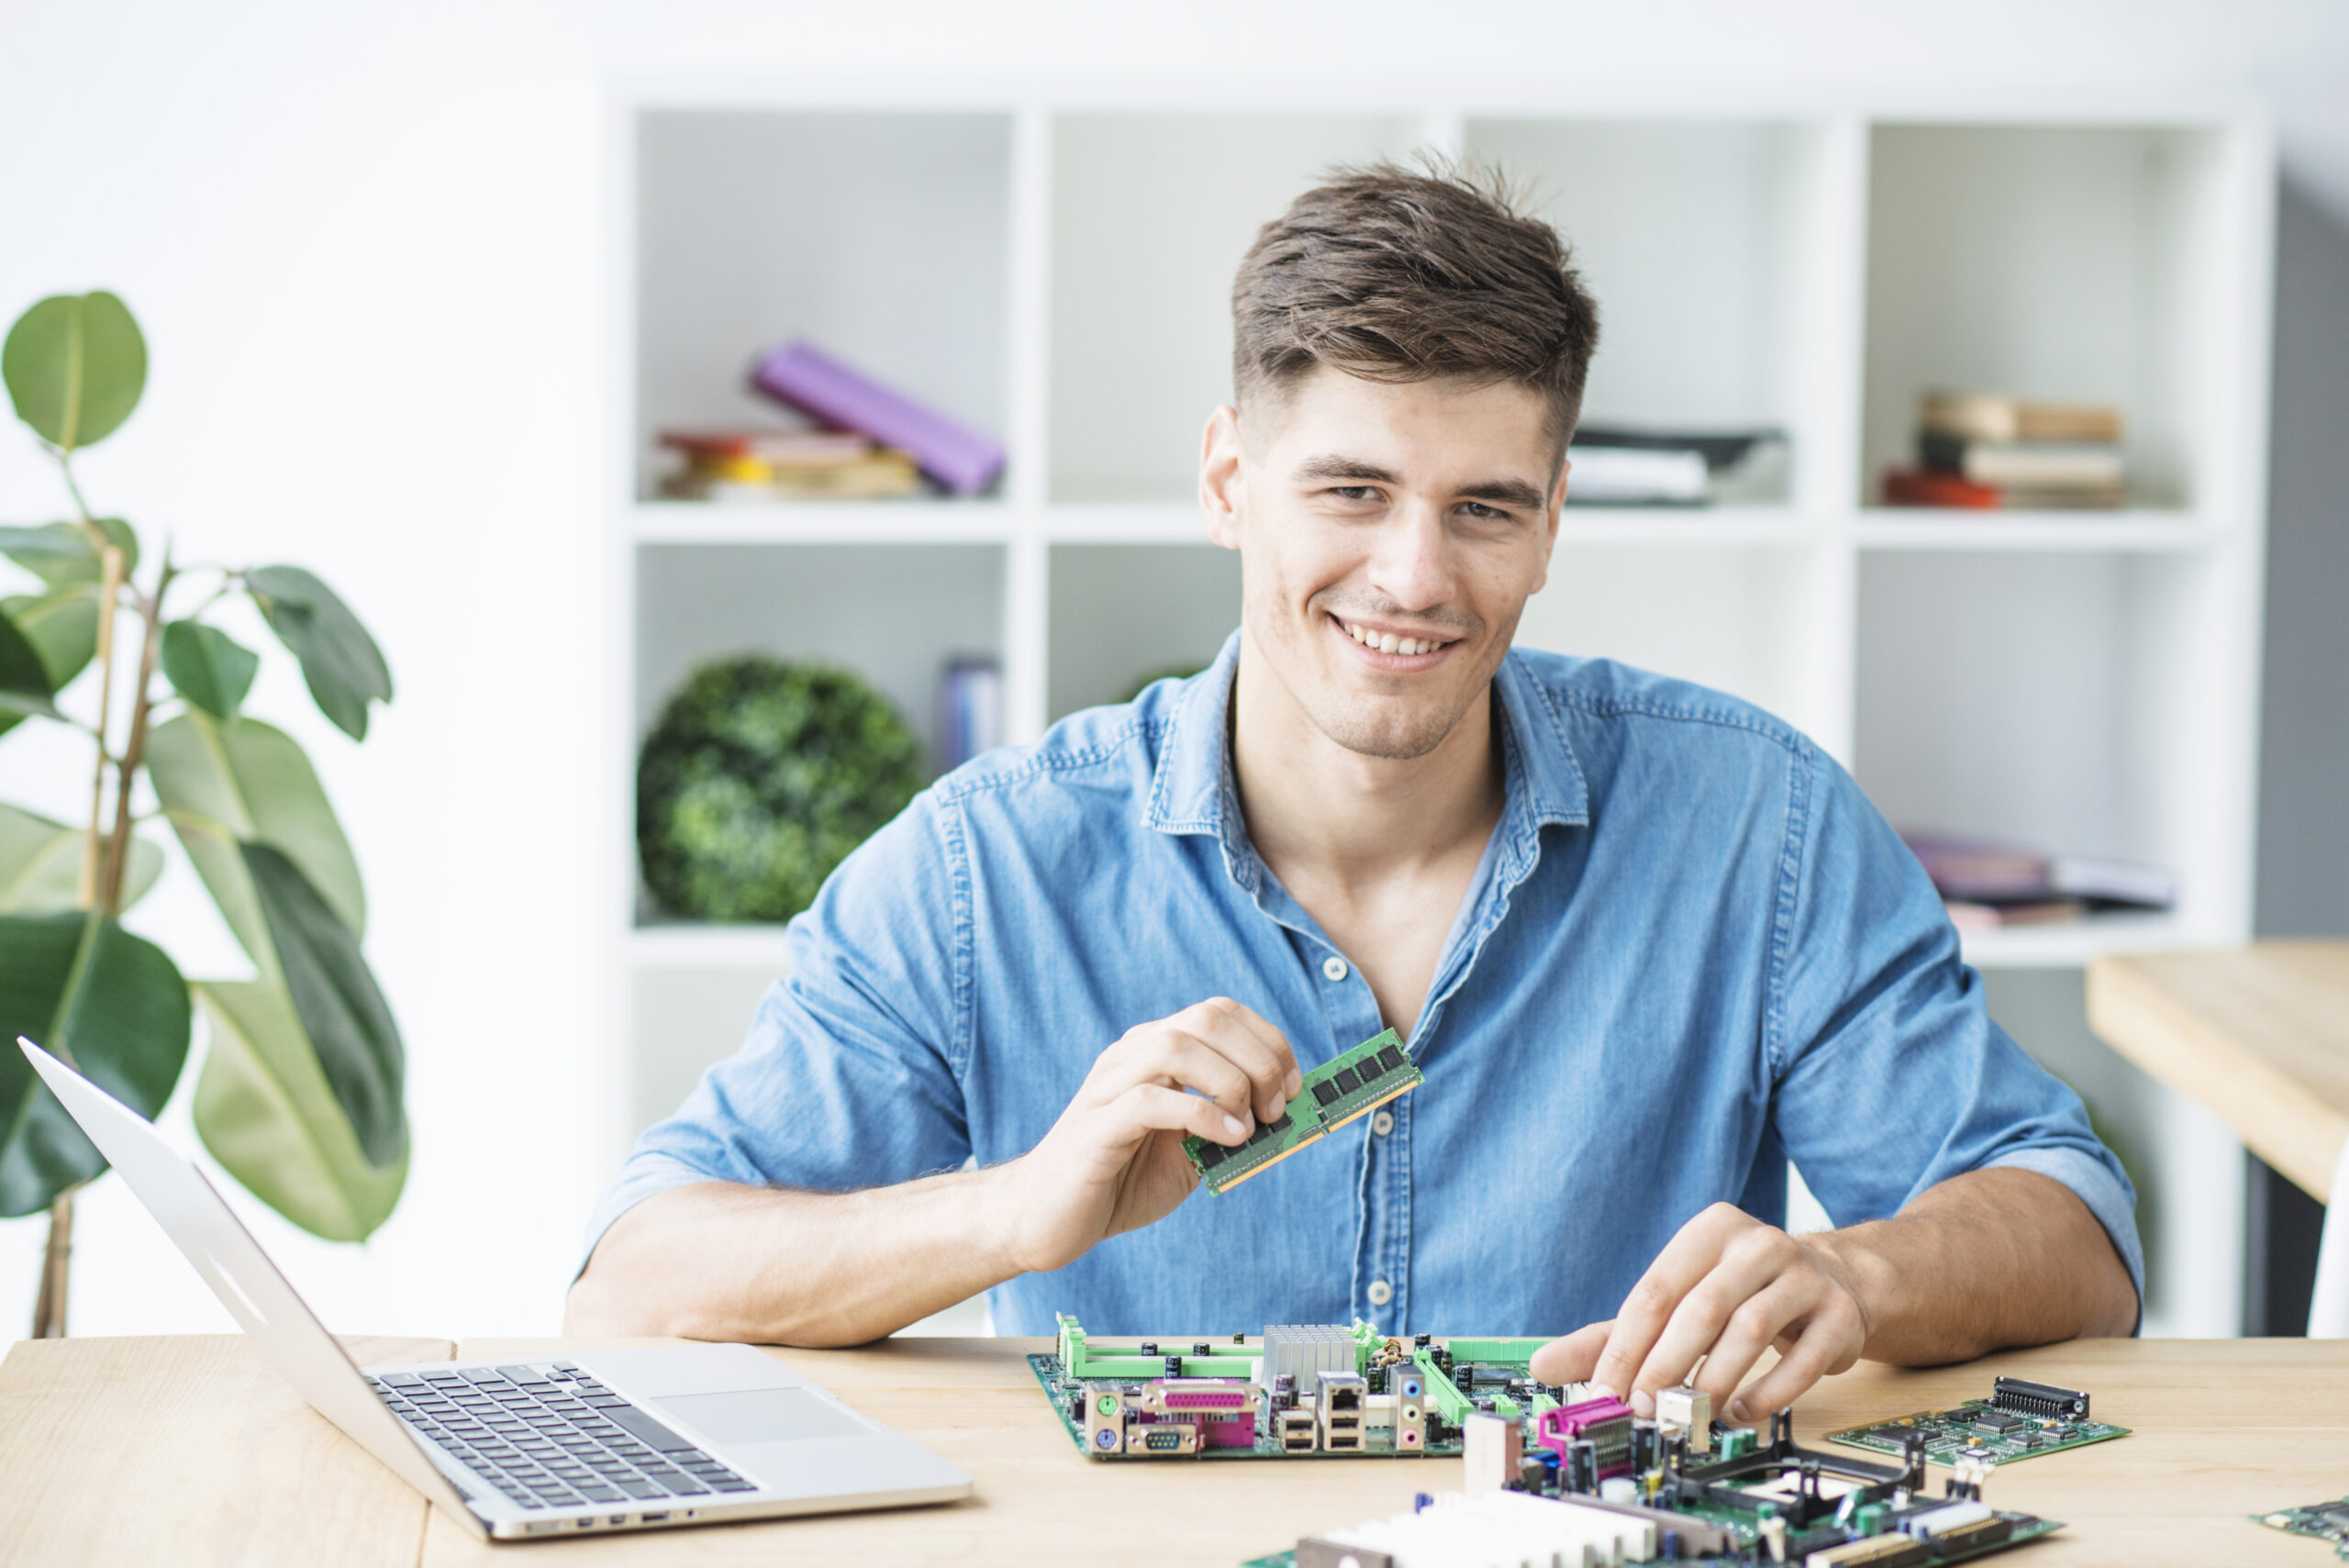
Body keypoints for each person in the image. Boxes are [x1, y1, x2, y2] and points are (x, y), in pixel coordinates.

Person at [570, 165, 2140, 1422]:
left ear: (1552, 521)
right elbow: (630, 1287)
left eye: (1482, 507)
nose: (1413, 575)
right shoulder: (993, 864)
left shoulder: (1759, 827)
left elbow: (2075, 1227)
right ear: (1226, 479)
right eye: (1351, 490)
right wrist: (1016, 1211)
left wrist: (1854, 1275)